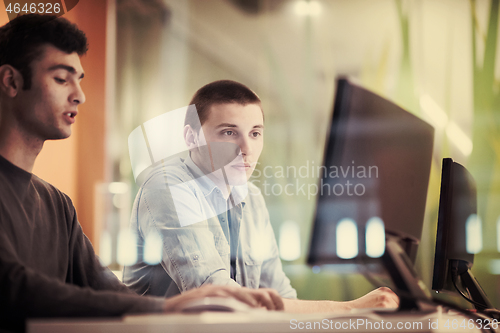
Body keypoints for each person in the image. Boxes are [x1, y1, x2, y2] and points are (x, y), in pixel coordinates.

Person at [0, 14, 282, 333]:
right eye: (62, 79)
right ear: (11, 81)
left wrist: (165, 309)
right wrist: (166, 307)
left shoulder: (56, 205)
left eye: (79, 79)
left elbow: (104, 288)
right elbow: (13, 286)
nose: (79, 94)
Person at [123, 80, 400, 312]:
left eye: (255, 133)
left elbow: (280, 295)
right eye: (229, 132)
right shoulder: (168, 186)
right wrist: (352, 308)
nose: (246, 148)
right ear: (191, 137)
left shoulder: (250, 197)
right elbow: (216, 297)